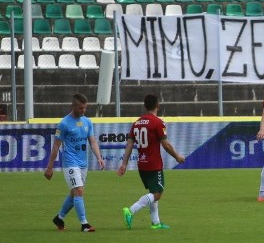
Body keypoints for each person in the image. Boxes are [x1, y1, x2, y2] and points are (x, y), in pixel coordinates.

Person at [116, 94, 186, 229]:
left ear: (145, 106)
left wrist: (124, 163)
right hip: (154, 164)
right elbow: (165, 145)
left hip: (141, 164)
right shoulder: (158, 122)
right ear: (157, 106)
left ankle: (156, 222)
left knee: (152, 192)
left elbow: (129, 144)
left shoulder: (136, 123)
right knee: (157, 194)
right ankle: (131, 210)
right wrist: (177, 156)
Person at [45, 93, 105, 232]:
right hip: (70, 162)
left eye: (84, 108)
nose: (83, 111)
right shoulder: (64, 124)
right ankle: (84, 224)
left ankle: (59, 218)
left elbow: (92, 141)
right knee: (79, 191)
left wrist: (99, 157)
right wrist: (50, 167)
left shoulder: (87, 122)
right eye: (80, 108)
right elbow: (56, 146)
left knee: (74, 194)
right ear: (73, 106)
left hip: (83, 163)